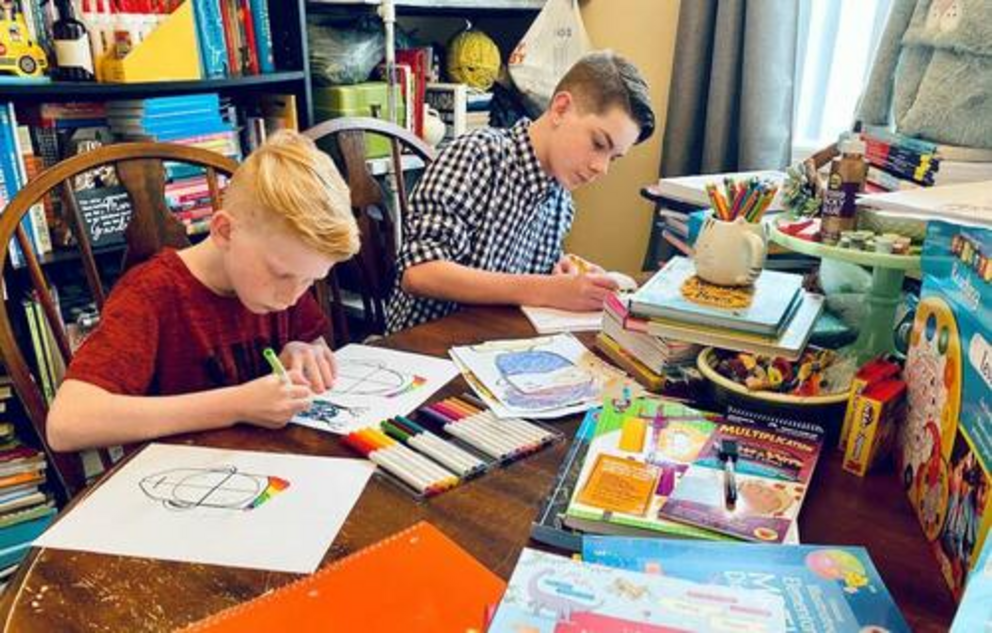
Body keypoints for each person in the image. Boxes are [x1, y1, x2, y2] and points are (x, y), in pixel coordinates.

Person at [46, 130, 360, 451]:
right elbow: (67, 423)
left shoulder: (282, 276)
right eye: (282, 274)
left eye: (310, 280)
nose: (292, 296)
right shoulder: (150, 294)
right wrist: (237, 404)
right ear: (225, 232)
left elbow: (311, 341)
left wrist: (304, 349)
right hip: (176, 481)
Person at [386, 49, 655, 333]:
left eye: (614, 157)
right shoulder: (478, 155)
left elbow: (527, 285)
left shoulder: (561, 201)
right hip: (423, 349)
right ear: (561, 108)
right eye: (599, 144)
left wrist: (562, 271)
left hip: (492, 345)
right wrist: (547, 289)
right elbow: (419, 273)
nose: (601, 168)